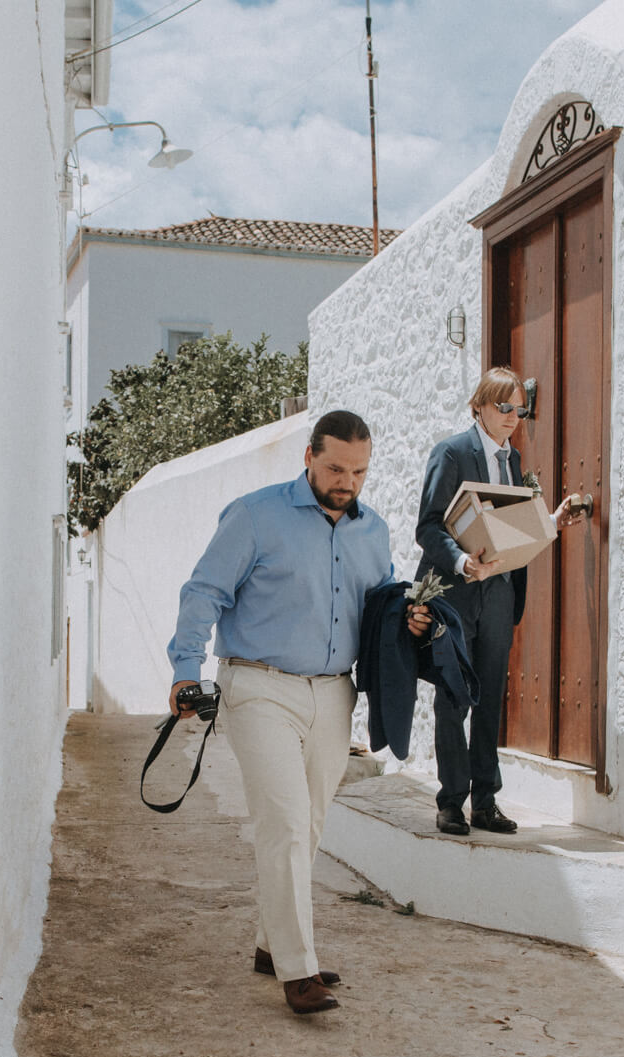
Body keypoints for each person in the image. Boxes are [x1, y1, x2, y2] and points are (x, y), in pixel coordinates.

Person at [168, 409, 430, 1015]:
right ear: (309, 456)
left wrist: (411, 618)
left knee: (308, 823)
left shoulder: (373, 531)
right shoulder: (255, 515)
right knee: (284, 821)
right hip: (259, 685)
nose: (347, 482)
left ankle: (272, 945)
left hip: (335, 692)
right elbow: (203, 592)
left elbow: (380, 605)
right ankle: (298, 970)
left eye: (359, 472)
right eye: (335, 468)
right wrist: (185, 670)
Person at [413, 367, 531, 837]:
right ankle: (450, 802)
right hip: (457, 592)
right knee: (453, 695)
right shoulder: (452, 452)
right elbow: (428, 526)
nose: (512, 417)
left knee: (490, 698)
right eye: (503, 407)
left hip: (499, 593)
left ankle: (485, 802)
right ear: (479, 406)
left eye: (519, 409)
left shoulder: (514, 459)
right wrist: (462, 562)